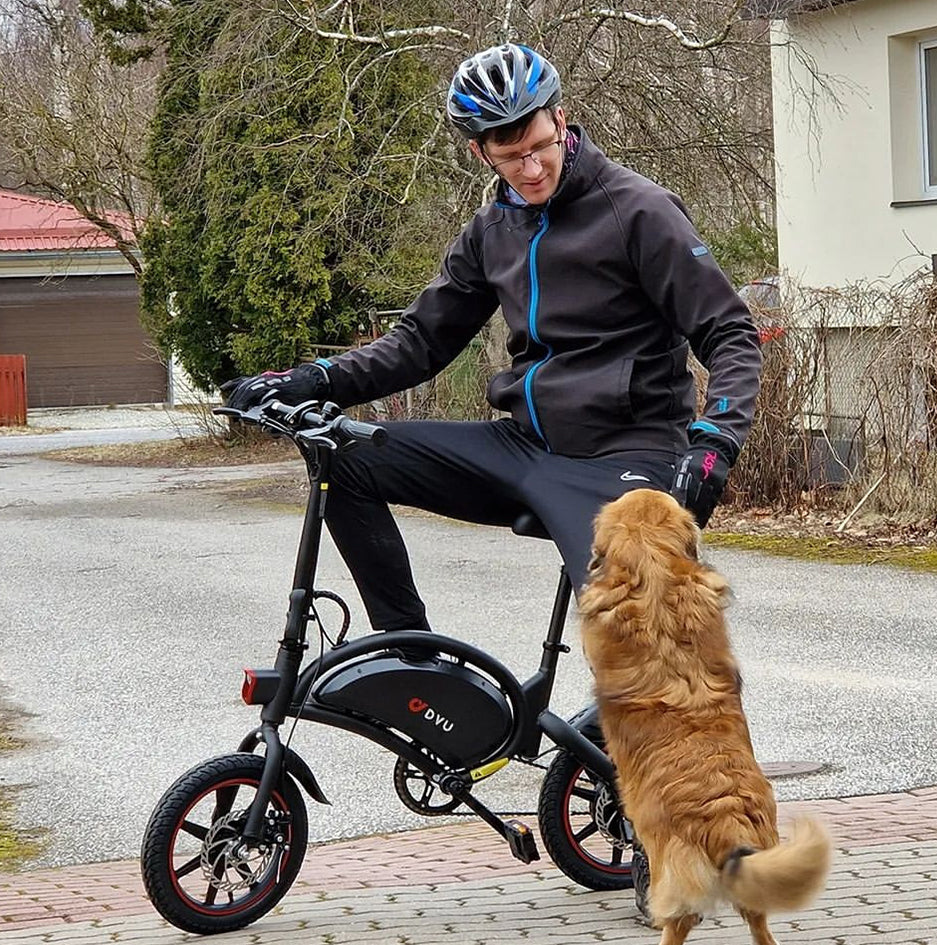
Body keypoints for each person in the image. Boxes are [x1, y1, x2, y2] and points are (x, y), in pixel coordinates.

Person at [224, 42, 762, 642]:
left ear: (561, 120)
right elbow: (420, 341)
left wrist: (714, 444)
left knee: (649, 642)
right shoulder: (492, 230)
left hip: (625, 456)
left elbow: (729, 332)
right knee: (344, 458)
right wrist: (313, 380)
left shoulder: (639, 210)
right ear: (480, 152)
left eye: (540, 146)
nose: (531, 170)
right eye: (511, 157)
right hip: (524, 445)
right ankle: (411, 656)